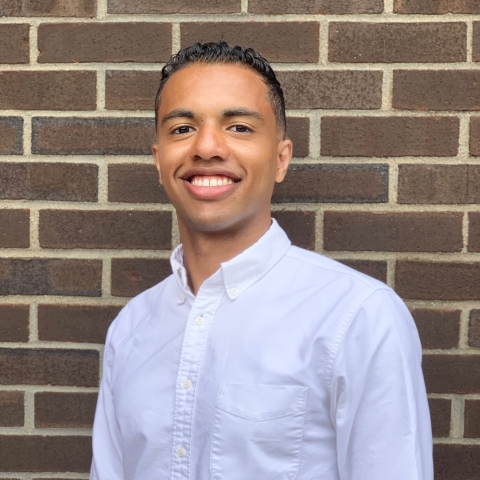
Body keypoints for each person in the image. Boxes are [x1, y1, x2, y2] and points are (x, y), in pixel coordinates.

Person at [90, 41, 433, 480]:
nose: (207, 147)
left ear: (281, 159)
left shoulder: (358, 318)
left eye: (239, 127)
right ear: (159, 161)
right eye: (181, 129)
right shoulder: (131, 330)